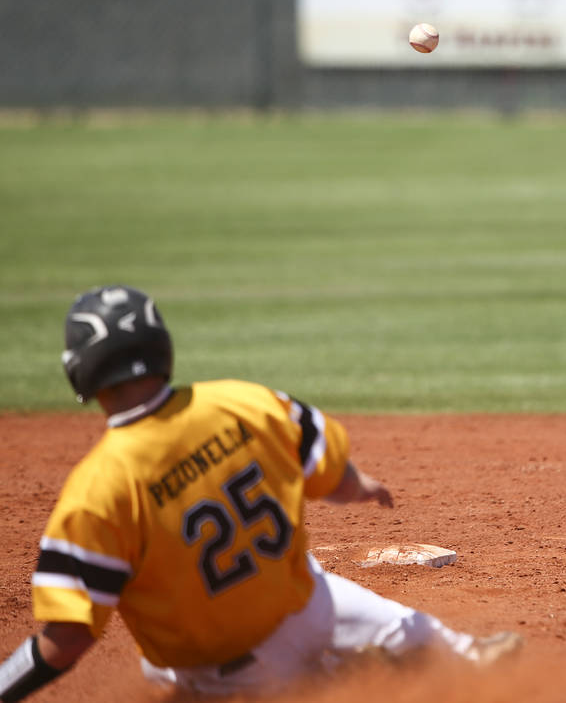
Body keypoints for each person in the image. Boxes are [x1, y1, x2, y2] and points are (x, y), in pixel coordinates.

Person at [0, 285, 522, 702]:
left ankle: (331, 683)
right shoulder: (243, 403)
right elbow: (334, 475)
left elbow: (65, 641)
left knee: (160, 667)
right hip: (310, 605)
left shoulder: (97, 490)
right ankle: (459, 659)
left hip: (228, 672)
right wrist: (358, 485)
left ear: (81, 371)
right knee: (402, 629)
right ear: (162, 346)